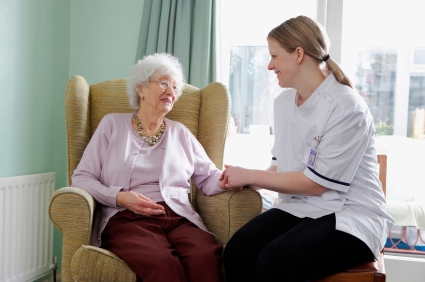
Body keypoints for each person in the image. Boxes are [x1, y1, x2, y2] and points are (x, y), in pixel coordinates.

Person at [221, 16, 394, 281]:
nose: (270, 65)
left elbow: (316, 184)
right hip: (303, 207)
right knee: (237, 252)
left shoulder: (346, 106)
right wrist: (247, 181)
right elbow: (280, 167)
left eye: (274, 56)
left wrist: (250, 175)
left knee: (275, 262)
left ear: (299, 54)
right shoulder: (283, 103)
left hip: (352, 216)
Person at [72, 53, 238, 282]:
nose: (171, 91)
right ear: (140, 89)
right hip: (127, 218)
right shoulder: (112, 125)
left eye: (175, 87)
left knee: (205, 257)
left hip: (178, 216)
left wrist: (227, 179)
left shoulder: (180, 132)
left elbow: (208, 178)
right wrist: (120, 198)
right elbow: (81, 178)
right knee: (163, 266)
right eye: (163, 83)